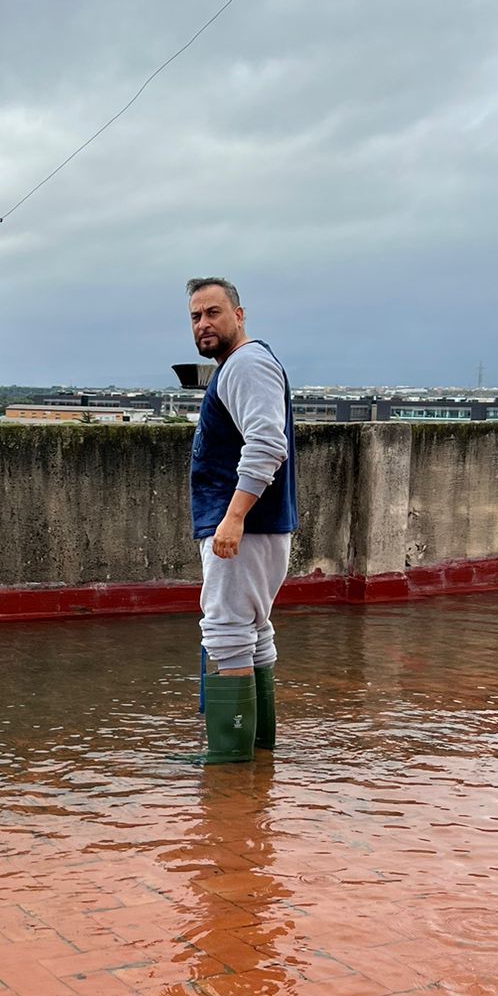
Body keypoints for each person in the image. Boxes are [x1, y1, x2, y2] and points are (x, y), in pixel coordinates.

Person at [182, 277, 297, 763]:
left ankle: (229, 766)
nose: (204, 324)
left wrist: (232, 518)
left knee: (228, 633)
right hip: (259, 526)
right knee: (252, 631)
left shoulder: (246, 364)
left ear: (239, 315)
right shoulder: (240, 366)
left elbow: (268, 444)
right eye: (195, 317)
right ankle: (257, 754)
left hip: (243, 528)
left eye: (213, 312)